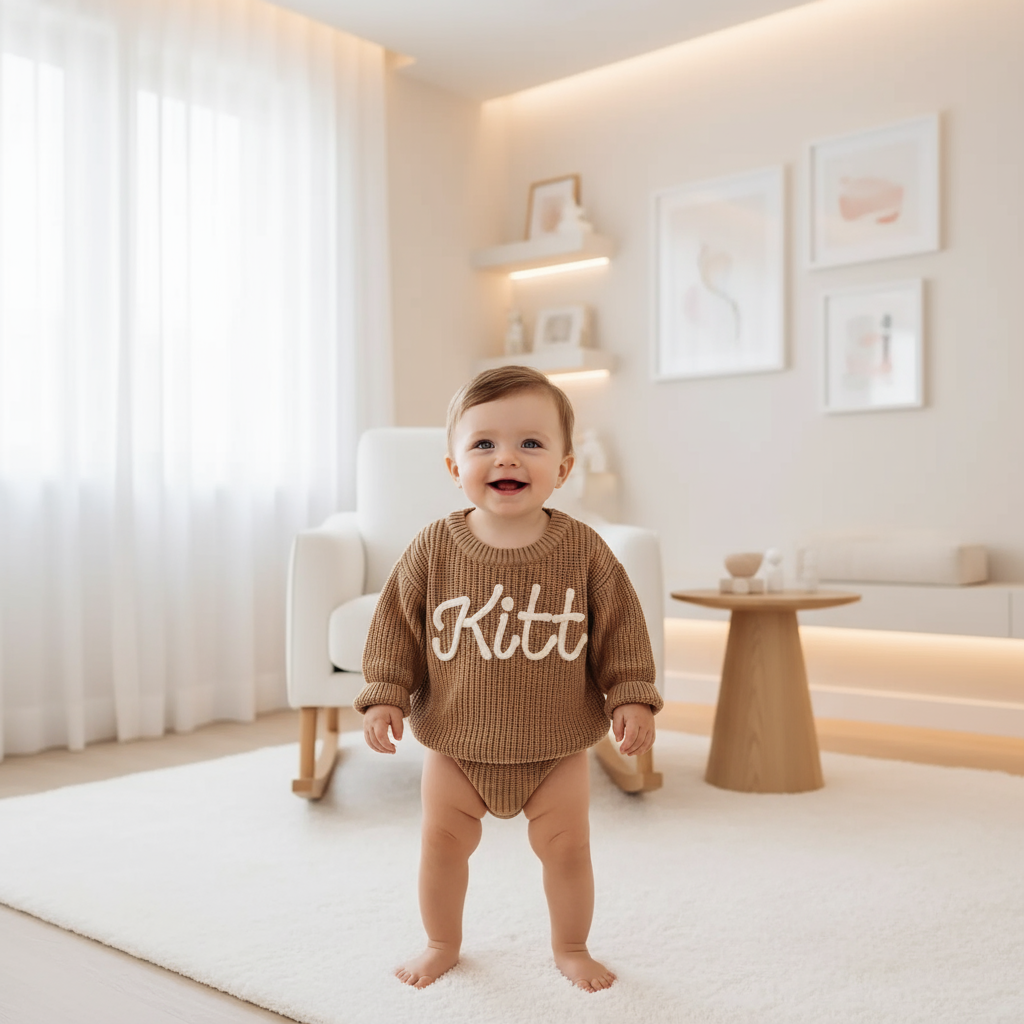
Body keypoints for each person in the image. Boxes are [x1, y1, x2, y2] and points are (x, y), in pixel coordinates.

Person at [354, 366, 662, 992]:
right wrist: (385, 694)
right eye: (484, 443)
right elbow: (394, 626)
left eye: (531, 443)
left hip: (555, 745)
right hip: (456, 742)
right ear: (454, 466)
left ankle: (571, 946)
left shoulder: (585, 551)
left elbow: (622, 629)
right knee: (441, 846)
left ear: (564, 468)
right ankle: (441, 942)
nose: (507, 458)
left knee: (568, 849)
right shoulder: (433, 548)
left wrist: (631, 695)